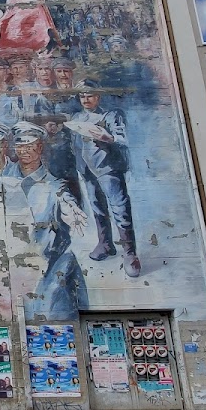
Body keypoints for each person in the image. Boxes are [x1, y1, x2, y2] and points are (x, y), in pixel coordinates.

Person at [11, 121, 89, 318]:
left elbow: (63, 199)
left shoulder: (55, 187)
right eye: (20, 145)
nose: (24, 151)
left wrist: (69, 209)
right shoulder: (3, 180)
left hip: (48, 271)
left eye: (30, 145)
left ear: (40, 147)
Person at [67, 79, 141, 276]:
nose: (86, 99)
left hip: (108, 168)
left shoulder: (111, 115)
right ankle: (105, 244)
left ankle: (130, 253)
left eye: (90, 95)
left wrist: (106, 137)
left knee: (119, 208)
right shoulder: (77, 117)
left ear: (98, 96)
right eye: (82, 96)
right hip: (86, 170)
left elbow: (123, 139)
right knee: (97, 206)